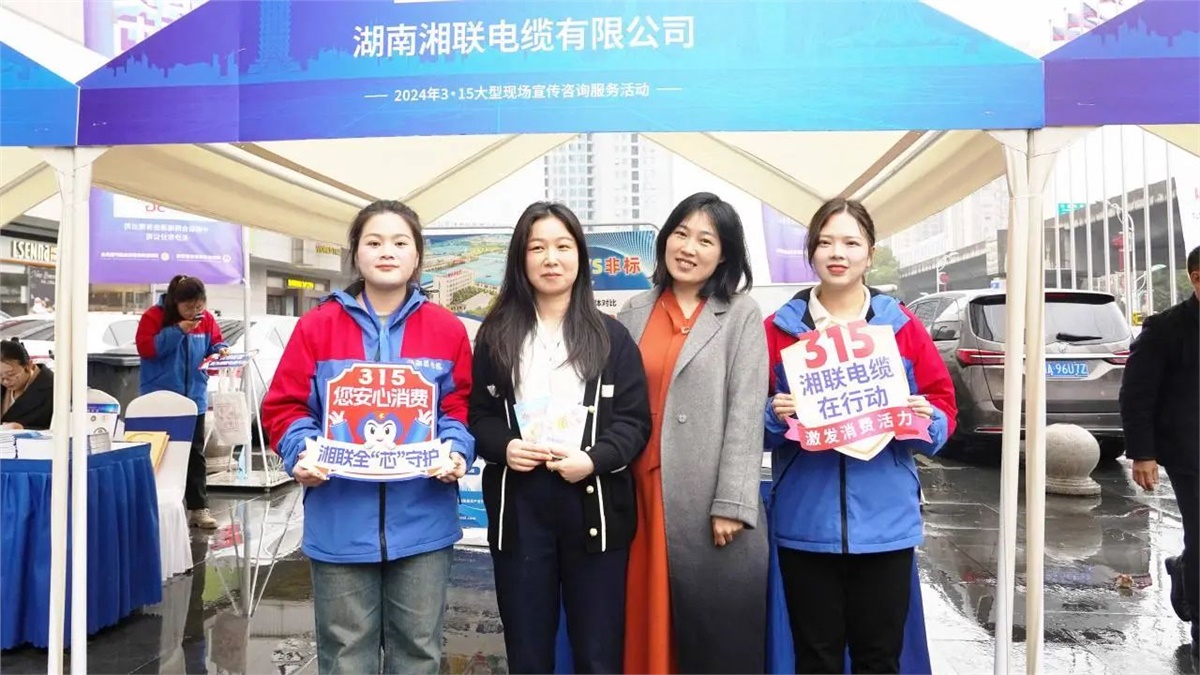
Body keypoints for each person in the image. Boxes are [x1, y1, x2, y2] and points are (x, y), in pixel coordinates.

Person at [261, 200, 474, 675]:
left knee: (419, 652)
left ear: (417, 256)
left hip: (423, 523)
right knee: (344, 655)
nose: (387, 251)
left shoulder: (446, 330)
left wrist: (456, 450)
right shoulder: (317, 327)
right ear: (355, 252)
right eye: (374, 241)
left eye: (400, 242)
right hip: (338, 521)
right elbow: (285, 406)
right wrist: (300, 450)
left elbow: (459, 408)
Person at [763, 198, 956, 674]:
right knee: (816, 659)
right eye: (826, 242)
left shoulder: (902, 326)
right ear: (811, 251)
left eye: (851, 243)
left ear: (870, 254)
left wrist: (925, 419)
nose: (838, 253)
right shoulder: (777, 330)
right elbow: (749, 422)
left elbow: (943, 405)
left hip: (886, 524)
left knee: (879, 658)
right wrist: (773, 416)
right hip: (805, 522)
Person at [468, 201, 651, 674]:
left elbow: (634, 422)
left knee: (598, 652)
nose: (551, 259)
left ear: (580, 256)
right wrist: (505, 447)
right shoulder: (496, 336)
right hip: (520, 510)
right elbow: (479, 415)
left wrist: (593, 459)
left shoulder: (612, 337)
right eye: (538, 248)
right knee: (528, 651)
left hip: (594, 509)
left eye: (563, 246)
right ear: (521, 258)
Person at [616, 192, 770, 674]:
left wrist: (733, 503)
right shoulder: (634, 310)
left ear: (724, 254)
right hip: (638, 491)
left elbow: (747, 410)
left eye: (706, 239)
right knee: (642, 618)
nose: (688, 247)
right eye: (681, 234)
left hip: (706, 498)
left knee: (712, 630)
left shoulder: (740, 313)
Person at [1120, 245, 1199, 657]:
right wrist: (1143, 453)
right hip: (1191, 453)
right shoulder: (1166, 329)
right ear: (1197, 278)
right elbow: (1137, 394)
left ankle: (1184, 571)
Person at [135, 274, 227, 529]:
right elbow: (147, 349)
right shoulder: (154, 317)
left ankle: (198, 508)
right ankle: (151, 505)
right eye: (188, 307)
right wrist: (178, 331)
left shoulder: (206, 320)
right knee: (158, 452)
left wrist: (220, 350)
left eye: (199, 306)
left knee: (195, 454)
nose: (195, 312)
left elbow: (215, 342)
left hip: (194, 397)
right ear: (175, 303)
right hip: (160, 398)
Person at [1, 338, 54, 430]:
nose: (5, 381)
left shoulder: (53, 389)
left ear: (29, 365)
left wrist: (22, 429)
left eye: (11, 374)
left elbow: (60, 430)